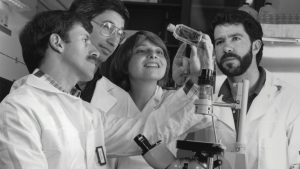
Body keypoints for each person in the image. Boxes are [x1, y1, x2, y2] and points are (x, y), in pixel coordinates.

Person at [0, 10, 208, 169]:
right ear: (57, 43)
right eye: (85, 40)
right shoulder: (19, 109)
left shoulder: (87, 113)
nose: (95, 51)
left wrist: (197, 82)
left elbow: (144, 133)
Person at [184, 10, 300, 168]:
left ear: (256, 46)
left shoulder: (291, 100)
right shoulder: (207, 97)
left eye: (235, 38)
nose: (227, 48)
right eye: (219, 42)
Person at [104, 31, 211, 168]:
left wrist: (200, 77)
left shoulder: (175, 99)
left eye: (159, 52)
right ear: (124, 64)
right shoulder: (109, 100)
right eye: (142, 51)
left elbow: (204, 116)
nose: (153, 55)